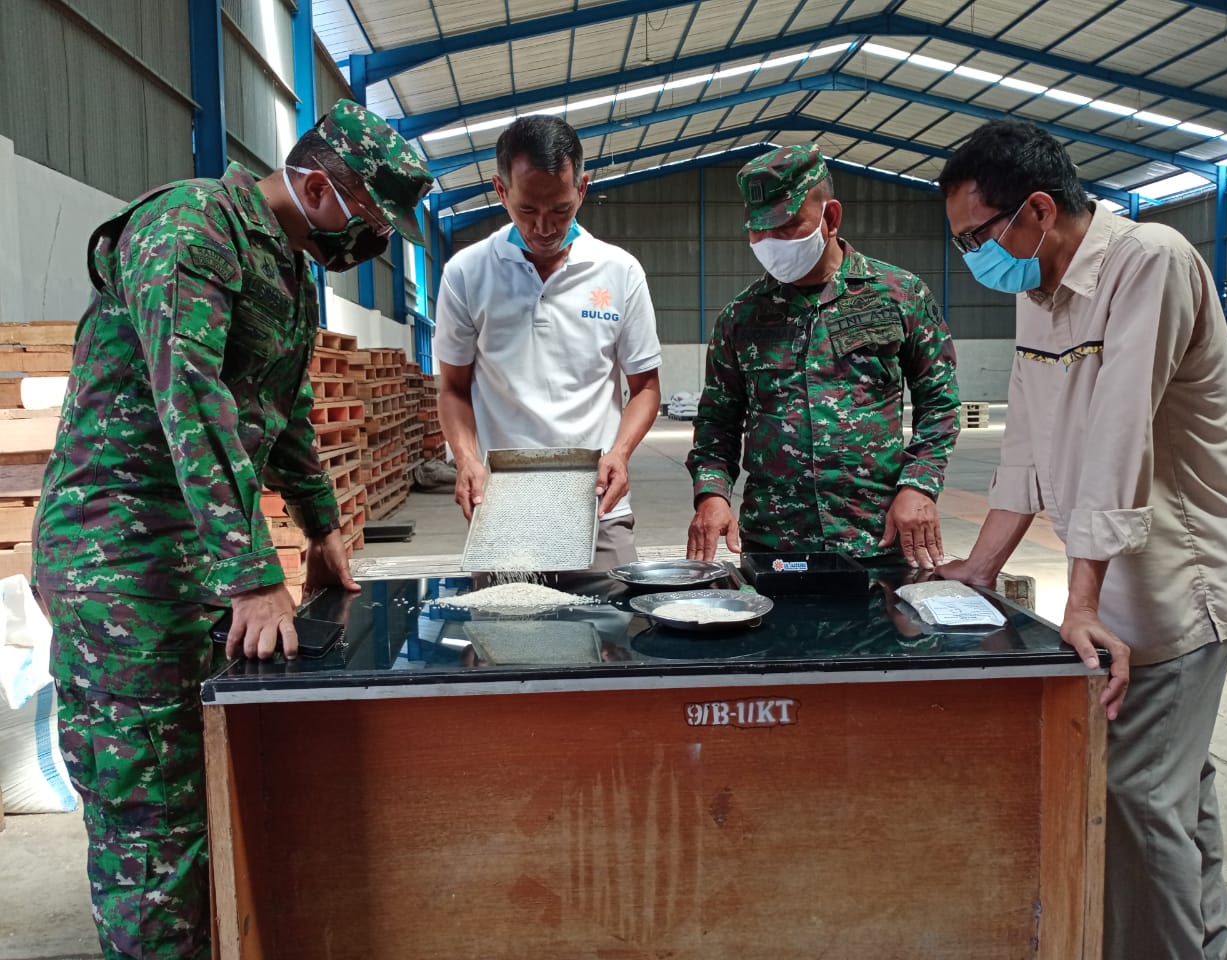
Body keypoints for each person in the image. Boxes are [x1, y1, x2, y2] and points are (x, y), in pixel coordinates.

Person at [30, 100, 433, 959]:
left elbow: (277, 411)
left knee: (208, 780)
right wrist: (255, 576)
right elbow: (194, 402)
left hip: (193, 548)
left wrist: (321, 529)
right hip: (121, 558)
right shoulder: (187, 231)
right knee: (150, 812)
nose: (374, 246)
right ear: (318, 186)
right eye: (368, 222)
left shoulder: (285, 269)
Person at [936, 119, 1227, 960]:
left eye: (978, 234)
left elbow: (1121, 437)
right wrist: (979, 567)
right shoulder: (1038, 291)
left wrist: (1078, 600)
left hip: (1176, 589)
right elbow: (1028, 445)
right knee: (1179, 795)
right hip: (1107, 594)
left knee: (1134, 796)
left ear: (1037, 210)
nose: (974, 255)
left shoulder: (1148, 260)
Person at [685, 144, 960, 569]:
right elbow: (717, 421)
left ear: (830, 218)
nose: (770, 243)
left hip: (876, 539)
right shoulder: (740, 317)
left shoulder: (900, 295)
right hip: (775, 546)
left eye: (787, 226)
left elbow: (939, 402)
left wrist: (919, 487)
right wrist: (712, 494)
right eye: (758, 231)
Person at [434, 115, 662, 571]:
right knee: (505, 636)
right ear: (501, 192)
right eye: (526, 211)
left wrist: (619, 453)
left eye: (560, 209)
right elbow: (453, 389)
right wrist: (465, 460)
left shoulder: (619, 271)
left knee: (614, 636)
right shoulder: (466, 273)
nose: (543, 227)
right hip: (503, 509)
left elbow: (646, 388)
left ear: (582, 188)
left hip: (597, 508)